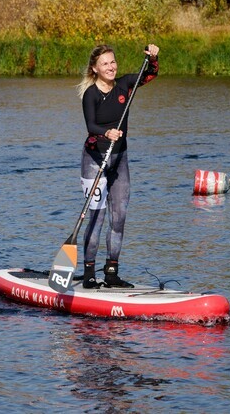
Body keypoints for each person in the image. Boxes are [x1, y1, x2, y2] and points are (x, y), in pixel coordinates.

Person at [76, 43, 159, 288]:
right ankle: (89, 274)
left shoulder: (125, 85)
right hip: (95, 160)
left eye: (113, 62)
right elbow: (91, 126)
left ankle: (111, 272)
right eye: (105, 64)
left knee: (119, 218)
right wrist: (106, 133)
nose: (111, 67)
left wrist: (153, 58)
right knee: (97, 218)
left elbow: (150, 74)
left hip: (119, 160)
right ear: (95, 69)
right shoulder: (90, 94)